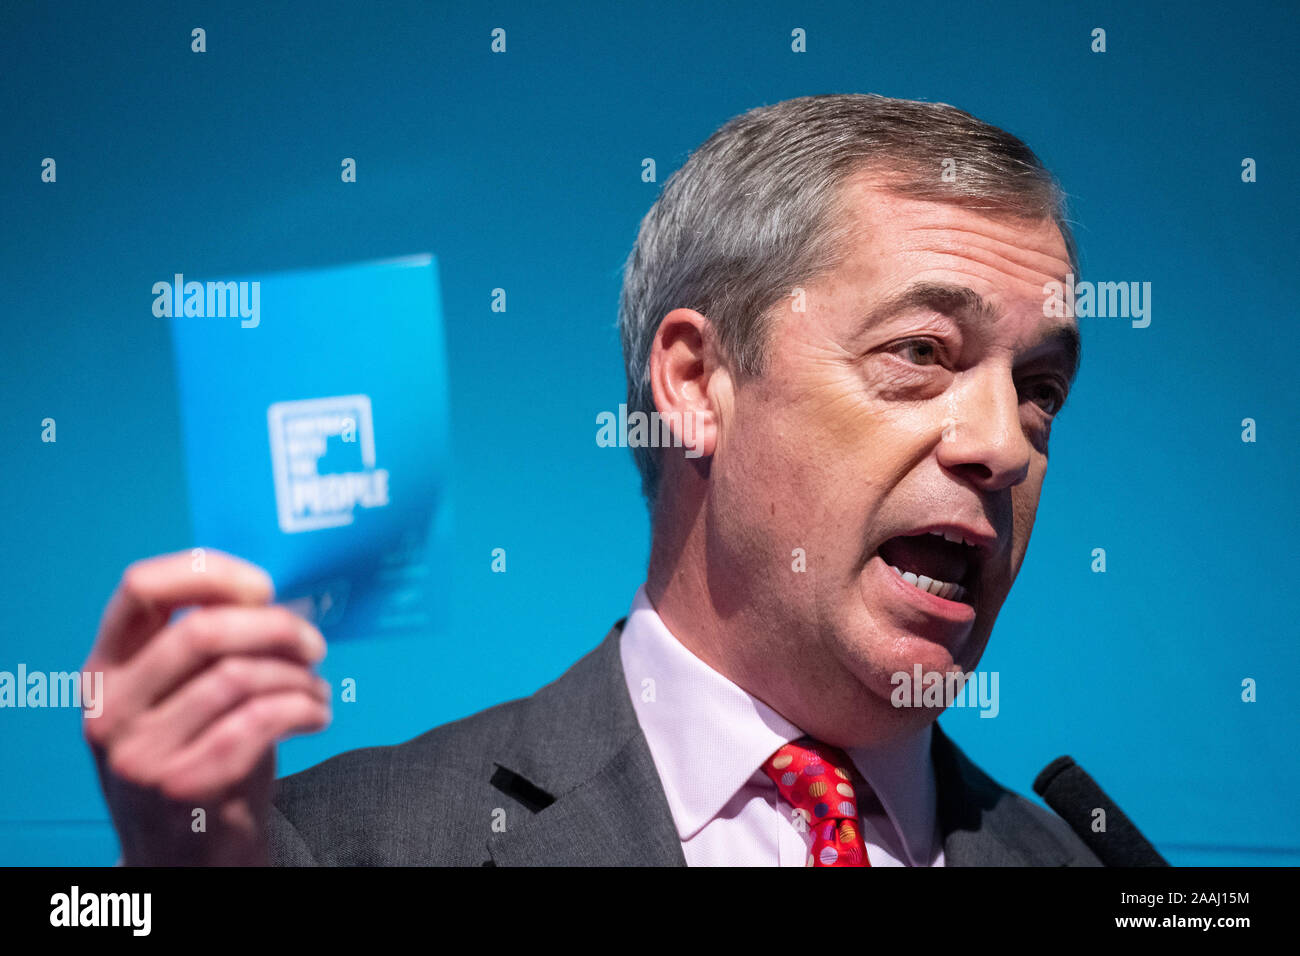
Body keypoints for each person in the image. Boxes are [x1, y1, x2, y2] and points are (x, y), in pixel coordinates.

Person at [84, 93, 1102, 866]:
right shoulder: (322, 842)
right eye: (922, 352)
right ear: (698, 383)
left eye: (1040, 386)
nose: (1004, 444)